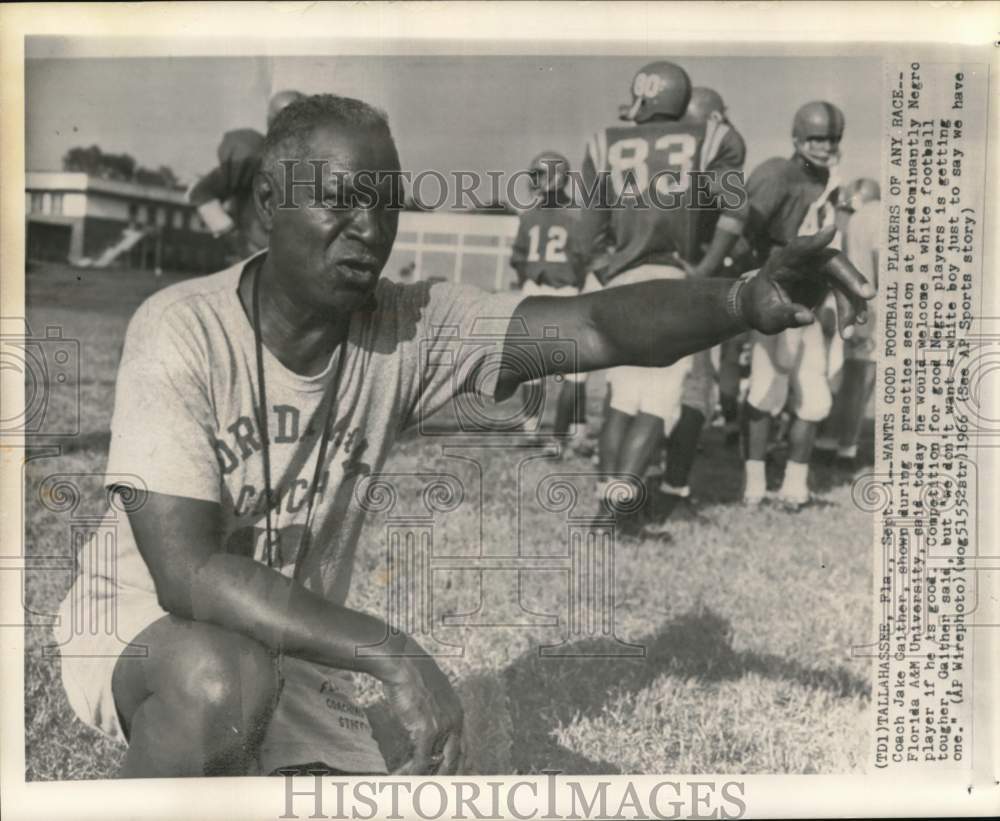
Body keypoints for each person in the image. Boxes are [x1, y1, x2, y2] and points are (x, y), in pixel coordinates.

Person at [55, 93, 873, 778]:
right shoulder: (181, 328)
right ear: (268, 205)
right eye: (339, 199)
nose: (368, 229)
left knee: (441, 764)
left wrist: (737, 301)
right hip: (143, 634)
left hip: (286, 647)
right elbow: (189, 574)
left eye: (387, 203)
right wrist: (391, 650)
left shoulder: (411, 327)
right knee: (217, 684)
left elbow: (595, 323)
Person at [577, 63, 748, 531]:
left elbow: (585, 233)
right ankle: (616, 512)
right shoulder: (713, 141)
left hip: (621, 281)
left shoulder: (603, 142)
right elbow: (735, 213)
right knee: (657, 403)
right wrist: (707, 269)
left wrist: (605, 269)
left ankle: (604, 502)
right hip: (672, 279)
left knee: (620, 397)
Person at [741, 100, 846, 510]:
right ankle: (753, 486)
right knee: (766, 393)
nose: (824, 146)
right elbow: (745, 233)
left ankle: (794, 488)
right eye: (817, 138)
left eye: (832, 138)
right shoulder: (776, 174)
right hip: (775, 300)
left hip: (810, 305)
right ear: (798, 138)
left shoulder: (832, 182)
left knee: (814, 400)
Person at [652, 85, 748, 520]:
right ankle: (672, 487)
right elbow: (735, 212)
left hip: (641, 278)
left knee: (640, 389)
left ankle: (629, 480)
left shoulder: (647, 154)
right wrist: (708, 266)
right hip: (687, 282)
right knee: (694, 390)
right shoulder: (714, 154)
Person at [510, 151, 588, 439]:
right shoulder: (577, 215)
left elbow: (518, 260)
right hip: (565, 291)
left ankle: (531, 428)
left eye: (539, 175)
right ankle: (567, 432)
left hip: (534, 292)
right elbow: (583, 258)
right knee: (576, 367)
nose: (535, 182)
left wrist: (528, 285)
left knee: (532, 366)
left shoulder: (530, 216)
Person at [187, 89, 304, 261]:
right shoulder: (254, 156)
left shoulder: (312, 162)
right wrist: (231, 234)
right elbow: (201, 192)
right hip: (256, 257)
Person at [816, 177, 880, 463]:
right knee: (860, 380)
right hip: (875, 308)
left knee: (851, 377)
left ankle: (832, 443)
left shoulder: (859, 221)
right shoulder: (878, 217)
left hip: (863, 305)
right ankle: (844, 447)